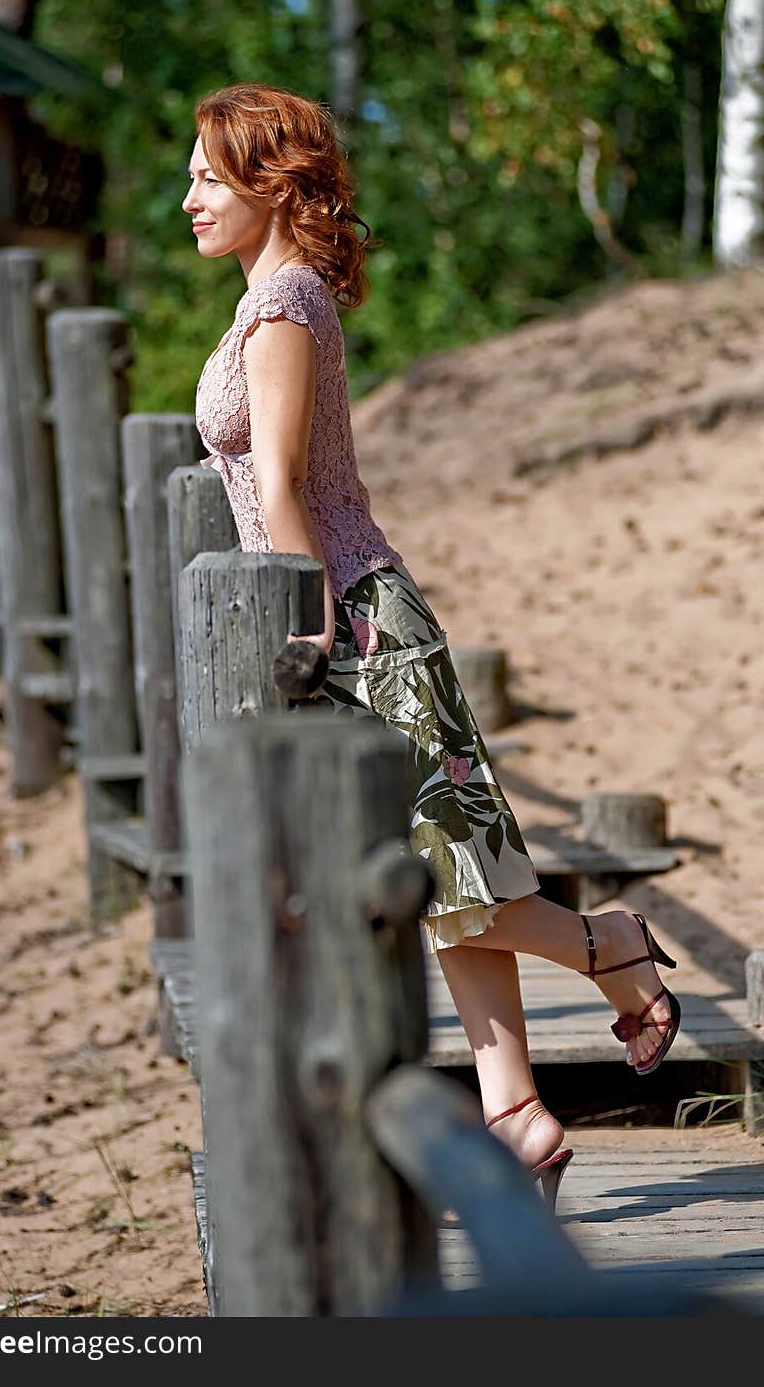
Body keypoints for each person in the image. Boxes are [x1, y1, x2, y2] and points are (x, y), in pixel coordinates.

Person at [183, 82, 681, 1209]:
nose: (187, 200)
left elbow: (284, 488)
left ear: (272, 185)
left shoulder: (279, 308)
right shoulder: (273, 299)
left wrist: (309, 636)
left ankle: (607, 943)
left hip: (351, 615)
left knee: (440, 874)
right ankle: (515, 1109)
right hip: (349, 606)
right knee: (448, 873)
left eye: (210, 178)